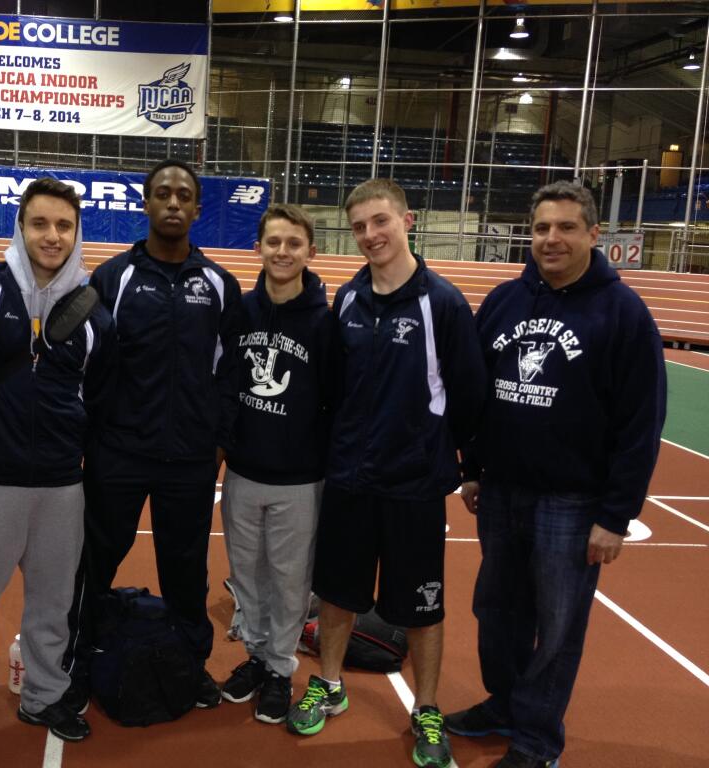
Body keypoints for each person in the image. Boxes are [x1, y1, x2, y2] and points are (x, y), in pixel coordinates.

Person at [447, 182, 667, 768]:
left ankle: (537, 741)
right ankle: (504, 703)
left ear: (594, 234)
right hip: (501, 492)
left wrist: (615, 516)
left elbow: (641, 424)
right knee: (496, 613)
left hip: (572, 501)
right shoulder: (504, 300)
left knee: (558, 627)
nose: (552, 239)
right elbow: (476, 393)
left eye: (567, 227)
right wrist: (473, 468)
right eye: (542, 228)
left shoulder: (623, 314)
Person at [286, 179, 485, 768]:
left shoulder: (443, 303)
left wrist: (457, 465)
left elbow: (470, 398)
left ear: (407, 221)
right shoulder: (348, 299)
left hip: (413, 487)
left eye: (380, 221)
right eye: (360, 227)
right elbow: (332, 389)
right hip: (350, 479)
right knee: (337, 595)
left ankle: (426, 708)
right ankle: (330, 684)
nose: (370, 235)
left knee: (423, 606)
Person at [0, 177, 116, 764]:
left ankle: (44, 697)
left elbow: (99, 404)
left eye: (64, 225)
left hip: (62, 487)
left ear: (77, 233)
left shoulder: (94, 317)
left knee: (53, 607)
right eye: (40, 223)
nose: (52, 236)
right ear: (20, 227)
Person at [78, 158, 242, 708]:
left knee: (186, 570)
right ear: (146, 203)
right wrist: (96, 438)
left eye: (184, 196)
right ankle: (77, 659)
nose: (173, 203)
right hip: (119, 453)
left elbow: (231, 372)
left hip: (191, 459)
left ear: (197, 209)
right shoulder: (113, 277)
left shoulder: (219, 285)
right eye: (163, 194)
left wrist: (218, 441)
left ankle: (191, 664)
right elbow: (91, 365)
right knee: (97, 558)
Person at [219, 204, 335, 724]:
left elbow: (335, 398)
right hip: (243, 471)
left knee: (290, 582)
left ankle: (280, 669)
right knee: (247, 576)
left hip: (299, 478)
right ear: (258, 249)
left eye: (293, 243)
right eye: (273, 242)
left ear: (311, 252)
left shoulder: (325, 323)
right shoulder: (240, 312)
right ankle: (256, 656)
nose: (282, 252)